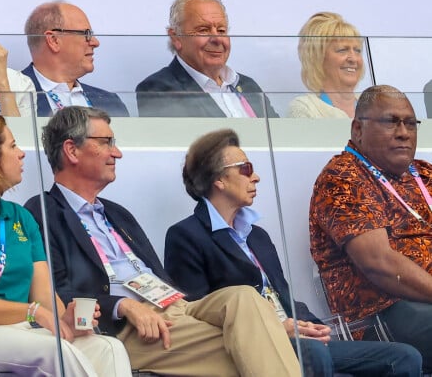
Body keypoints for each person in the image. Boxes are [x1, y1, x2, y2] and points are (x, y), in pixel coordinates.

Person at [24, 105, 301, 377]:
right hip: (129, 327)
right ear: (72, 150)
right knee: (255, 342)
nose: (116, 153)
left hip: (175, 305)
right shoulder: (43, 212)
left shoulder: (117, 213)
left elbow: (161, 278)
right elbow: (56, 293)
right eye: (106, 143)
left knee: (244, 296)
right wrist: (121, 305)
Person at [165, 128, 422, 376]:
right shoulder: (186, 236)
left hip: (296, 337)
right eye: (246, 169)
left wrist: (313, 325)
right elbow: (194, 315)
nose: (256, 177)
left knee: (404, 357)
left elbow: (282, 296)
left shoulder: (257, 235)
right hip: (253, 346)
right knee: (313, 353)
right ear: (217, 179)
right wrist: (275, 329)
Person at [0, 112, 131, 376]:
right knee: (57, 352)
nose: (21, 154)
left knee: (108, 347)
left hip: (18, 329)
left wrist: (65, 317)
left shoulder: (20, 216)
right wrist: (34, 313)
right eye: (12, 146)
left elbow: (45, 296)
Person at [310, 84, 432, 372]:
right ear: (358, 129)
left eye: (410, 123)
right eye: (391, 122)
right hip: (382, 314)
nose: (403, 132)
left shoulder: (424, 173)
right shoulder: (344, 177)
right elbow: (380, 264)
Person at [135, 0, 278, 117]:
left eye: (221, 30)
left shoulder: (248, 85)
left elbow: (279, 138)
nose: (217, 39)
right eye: (203, 30)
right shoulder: (158, 89)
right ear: (176, 37)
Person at [22, 1, 128, 116]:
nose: (95, 42)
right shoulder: (12, 95)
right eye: (86, 34)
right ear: (54, 40)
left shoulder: (111, 102)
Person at [288, 12, 366, 119]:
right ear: (318, 57)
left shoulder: (374, 106)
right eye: (343, 50)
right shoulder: (305, 108)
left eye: (357, 50)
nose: (354, 59)